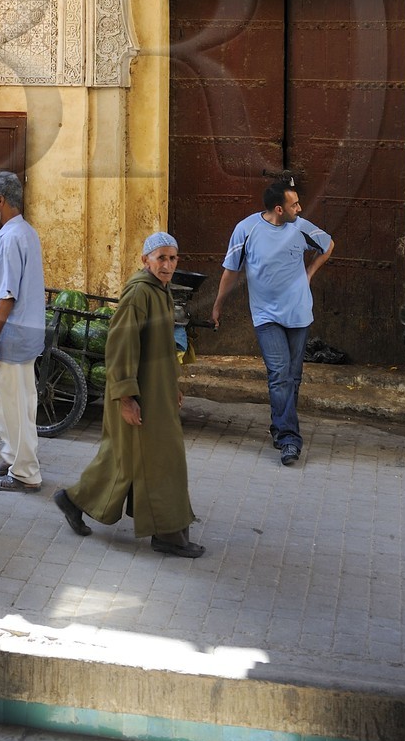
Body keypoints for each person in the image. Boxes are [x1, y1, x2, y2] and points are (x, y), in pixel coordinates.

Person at [53, 233, 204, 558]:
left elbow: (163, 350)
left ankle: (73, 500)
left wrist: (173, 387)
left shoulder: (160, 292)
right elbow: (120, 347)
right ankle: (168, 535)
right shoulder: (138, 294)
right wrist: (125, 398)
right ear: (145, 260)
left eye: (172, 258)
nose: (167, 265)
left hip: (156, 394)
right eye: (161, 258)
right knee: (164, 460)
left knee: (124, 461)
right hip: (138, 396)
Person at [210, 180, 333, 467]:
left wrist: (309, 273)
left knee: (293, 376)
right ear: (279, 209)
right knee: (279, 374)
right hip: (266, 316)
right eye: (294, 205)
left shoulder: (301, 227)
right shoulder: (247, 229)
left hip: (299, 314)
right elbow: (231, 271)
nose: (300, 208)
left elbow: (328, 245)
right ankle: (290, 439)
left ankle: (280, 427)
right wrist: (217, 305)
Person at [0, 171, 46, 493]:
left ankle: (25, 472)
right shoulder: (26, 232)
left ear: (2, 201)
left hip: (14, 334)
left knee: (17, 404)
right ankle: (13, 452)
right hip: (26, 331)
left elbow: (7, 295)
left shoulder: (10, 238)